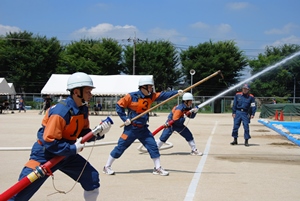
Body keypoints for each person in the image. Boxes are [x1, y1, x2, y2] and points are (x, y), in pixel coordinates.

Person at [9, 72, 112, 201]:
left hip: (66, 153)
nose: (90, 94)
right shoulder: (61, 112)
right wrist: (72, 149)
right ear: (76, 92)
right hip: (45, 154)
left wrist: (99, 133)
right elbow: (50, 141)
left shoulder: (83, 109)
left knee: (91, 178)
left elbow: (83, 133)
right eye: (87, 91)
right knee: (21, 191)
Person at [103, 77, 183, 176]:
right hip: (131, 128)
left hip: (143, 129)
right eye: (149, 87)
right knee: (121, 147)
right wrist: (125, 119)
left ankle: (157, 168)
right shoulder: (131, 96)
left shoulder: (151, 96)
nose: (151, 89)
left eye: (151, 87)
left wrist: (176, 92)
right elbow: (119, 106)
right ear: (143, 87)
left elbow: (163, 95)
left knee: (153, 146)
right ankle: (107, 166)